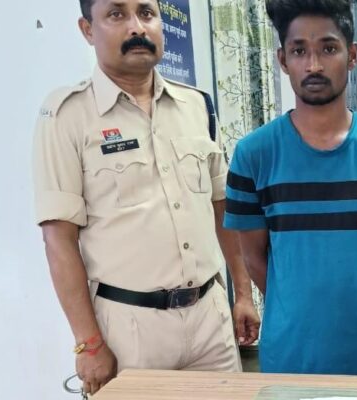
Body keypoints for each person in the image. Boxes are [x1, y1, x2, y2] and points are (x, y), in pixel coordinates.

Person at [32, 0, 259, 395]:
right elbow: (58, 240)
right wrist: (89, 343)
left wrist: (243, 293)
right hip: (130, 330)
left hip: (210, 320)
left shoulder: (197, 106)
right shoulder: (67, 116)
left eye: (146, 13)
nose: (137, 27)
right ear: (88, 29)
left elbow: (222, 207)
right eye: (116, 14)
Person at [223, 0, 357, 376]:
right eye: (299, 50)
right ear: (283, 60)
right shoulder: (253, 155)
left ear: (352, 56)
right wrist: (298, 308)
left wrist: (352, 307)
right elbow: (255, 259)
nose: (313, 65)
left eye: (328, 48)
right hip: (289, 352)